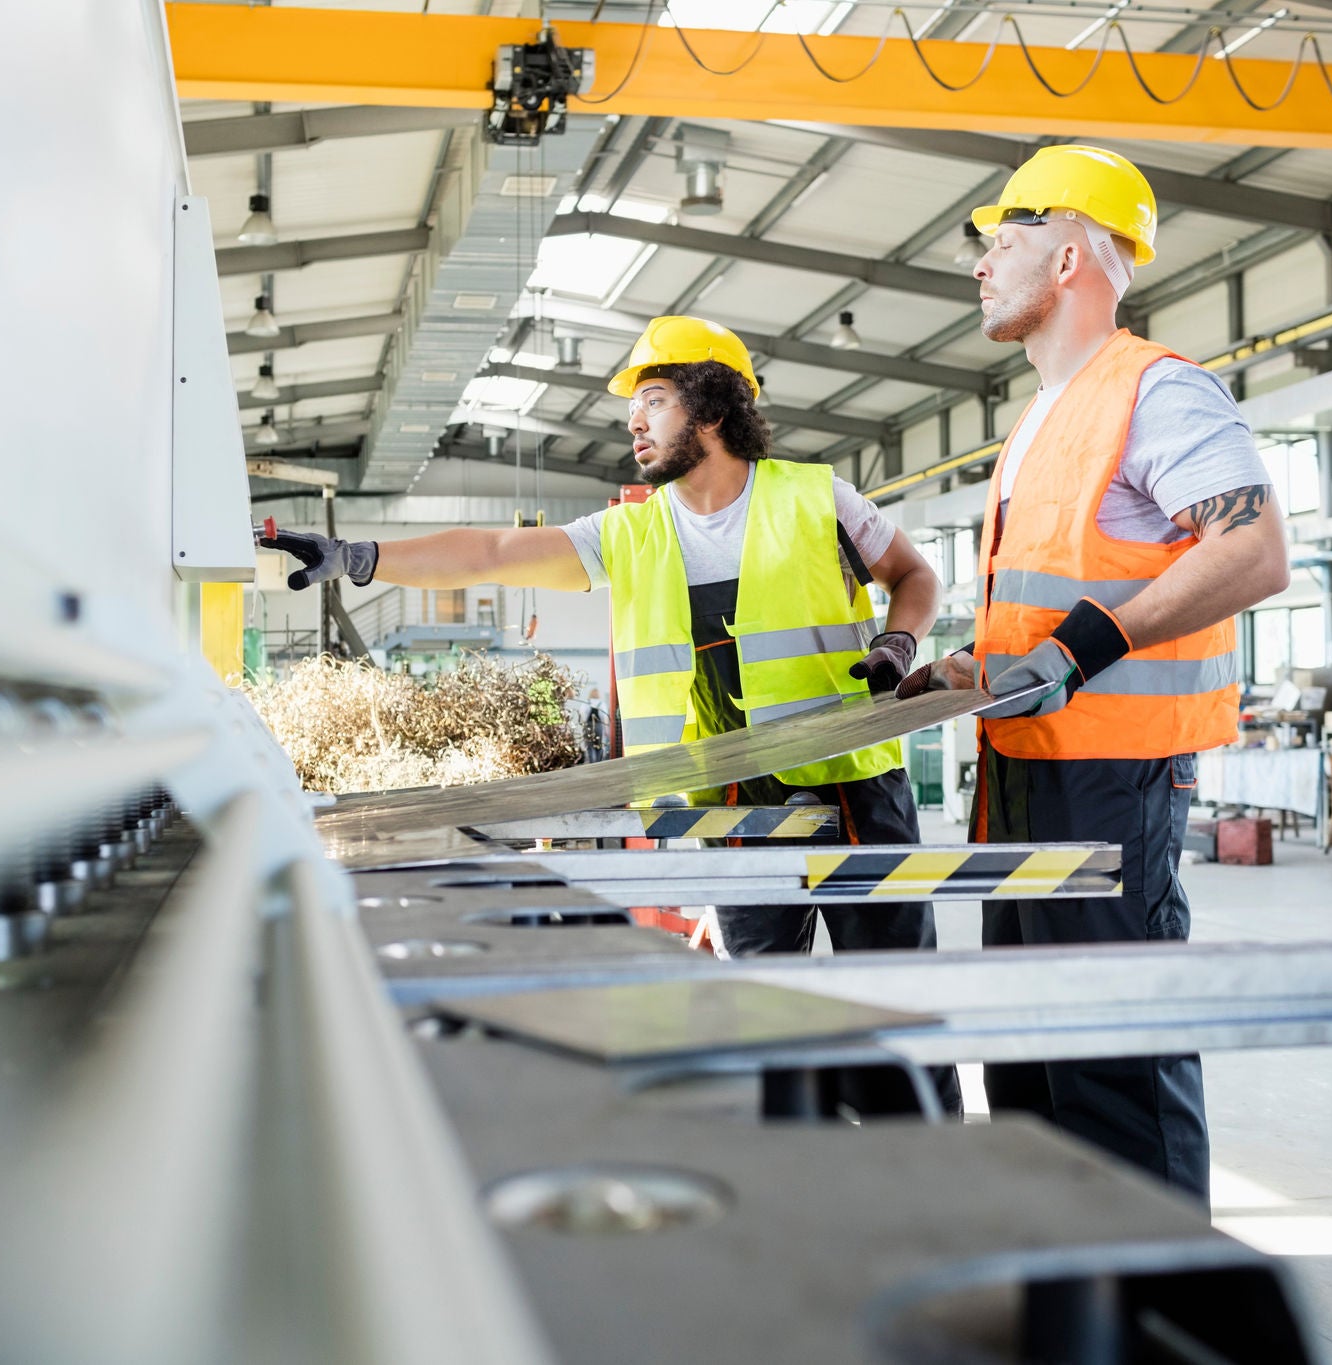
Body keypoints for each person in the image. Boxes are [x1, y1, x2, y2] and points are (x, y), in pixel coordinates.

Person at [263, 315, 958, 1114]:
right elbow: (493, 554)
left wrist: (899, 640)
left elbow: (915, 575)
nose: (633, 420)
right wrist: (361, 558)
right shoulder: (630, 533)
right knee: (765, 1015)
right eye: (633, 405)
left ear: (713, 407)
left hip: (855, 785)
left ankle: (927, 1152)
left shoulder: (816, 497)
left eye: (653, 399)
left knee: (895, 1005)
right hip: (735, 804)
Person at [897, 145, 1290, 1201]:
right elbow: (1050, 597)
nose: (980, 265)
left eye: (1002, 242)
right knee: (1028, 1058)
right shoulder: (1037, 418)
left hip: (1111, 779)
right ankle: (1065, 1270)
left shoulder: (1155, 389)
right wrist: (969, 667)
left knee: (1112, 1057)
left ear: (1068, 255)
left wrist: (1082, 647)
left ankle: (1158, 1282)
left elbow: (1253, 551)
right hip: (1020, 772)